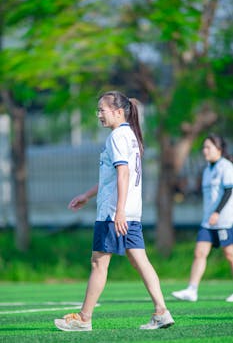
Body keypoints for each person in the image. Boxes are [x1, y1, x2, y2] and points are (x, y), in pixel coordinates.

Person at [54, 90, 175, 331]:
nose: (98, 114)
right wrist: (87, 196)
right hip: (131, 211)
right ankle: (162, 312)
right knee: (140, 260)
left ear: (118, 111)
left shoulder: (117, 136)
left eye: (102, 109)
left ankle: (84, 318)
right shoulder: (129, 136)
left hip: (113, 213)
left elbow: (123, 174)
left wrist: (118, 211)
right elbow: (113, 176)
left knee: (99, 263)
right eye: (97, 109)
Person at [172, 134, 233, 303]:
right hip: (208, 221)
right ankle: (192, 290)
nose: (205, 151)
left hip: (223, 220)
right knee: (199, 252)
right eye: (204, 147)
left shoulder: (226, 167)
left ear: (219, 149)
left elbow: (228, 191)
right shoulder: (207, 170)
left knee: (229, 254)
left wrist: (217, 212)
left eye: (208, 147)